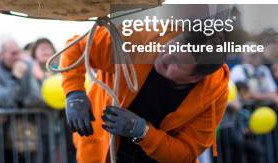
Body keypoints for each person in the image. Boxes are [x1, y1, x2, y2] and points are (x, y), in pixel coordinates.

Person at [60, 26, 229, 163]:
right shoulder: (140, 38)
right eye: (172, 45)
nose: (165, 57)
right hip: (101, 153)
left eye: (176, 62)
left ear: (195, 78)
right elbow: (78, 46)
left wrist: (142, 132)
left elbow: (185, 153)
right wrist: (74, 92)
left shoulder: (214, 95)